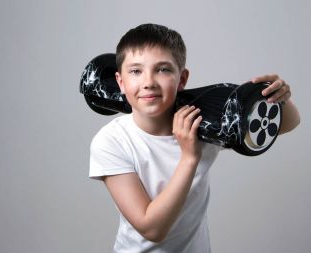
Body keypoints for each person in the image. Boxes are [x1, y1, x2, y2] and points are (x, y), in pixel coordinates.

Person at [89, 23, 300, 253]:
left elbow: (289, 124)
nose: (148, 81)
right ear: (120, 81)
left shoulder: (202, 122)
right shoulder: (111, 141)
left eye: (163, 69)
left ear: (182, 79)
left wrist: (279, 99)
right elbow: (152, 229)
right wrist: (189, 157)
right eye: (136, 71)